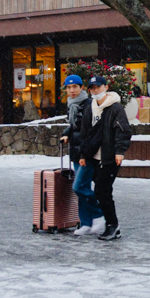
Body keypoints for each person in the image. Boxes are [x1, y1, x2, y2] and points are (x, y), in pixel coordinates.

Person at [76, 74, 131, 240]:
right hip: (94, 157)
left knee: (102, 190)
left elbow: (123, 131)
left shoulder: (115, 108)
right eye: (92, 88)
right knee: (101, 191)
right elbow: (85, 133)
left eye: (98, 87)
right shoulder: (90, 108)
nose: (95, 91)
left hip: (110, 157)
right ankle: (110, 224)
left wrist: (119, 152)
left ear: (106, 87)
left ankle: (112, 225)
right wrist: (84, 154)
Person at [58, 73, 101, 235]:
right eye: (68, 88)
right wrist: (67, 133)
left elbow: (89, 130)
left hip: (87, 153)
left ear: (82, 87)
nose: (71, 90)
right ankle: (85, 223)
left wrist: (86, 152)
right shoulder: (73, 105)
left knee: (78, 187)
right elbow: (75, 126)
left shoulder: (89, 104)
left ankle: (99, 215)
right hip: (76, 152)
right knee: (83, 187)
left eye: (75, 87)